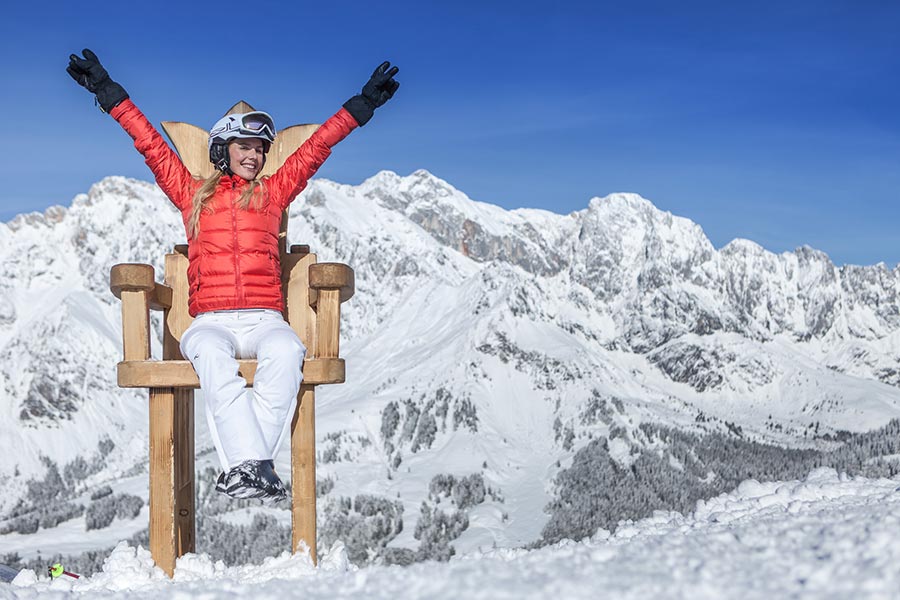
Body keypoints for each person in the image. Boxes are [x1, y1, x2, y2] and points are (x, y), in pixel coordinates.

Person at [67, 48, 399, 502]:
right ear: (224, 149)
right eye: (246, 146)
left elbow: (316, 149)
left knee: (287, 352)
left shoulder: (274, 193)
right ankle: (254, 466)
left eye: (261, 148)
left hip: (266, 319)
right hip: (211, 322)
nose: (256, 155)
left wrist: (360, 108)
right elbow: (149, 144)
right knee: (212, 359)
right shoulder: (191, 196)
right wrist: (110, 94)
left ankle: (244, 469)